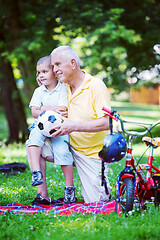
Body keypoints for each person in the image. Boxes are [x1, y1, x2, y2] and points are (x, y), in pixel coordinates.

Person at [48, 46, 112, 203]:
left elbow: (107, 123)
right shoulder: (61, 89)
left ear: (72, 63)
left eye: (58, 64)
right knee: (34, 144)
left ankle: (101, 182)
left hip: (90, 154)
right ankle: (42, 195)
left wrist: (73, 126)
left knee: (97, 201)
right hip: (65, 146)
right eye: (53, 66)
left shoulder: (95, 86)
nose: (54, 70)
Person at [26, 55, 76, 205]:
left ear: (54, 72)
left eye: (44, 71)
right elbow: (34, 112)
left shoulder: (62, 89)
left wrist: (43, 109)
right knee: (33, 140)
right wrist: (49, 110)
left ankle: (69, 188)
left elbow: (62, 110)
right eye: (38, 73)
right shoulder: (38, 91)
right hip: (40, 126)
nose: (41, 76)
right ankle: (36, 173)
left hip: (58, 127)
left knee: (62, 152)